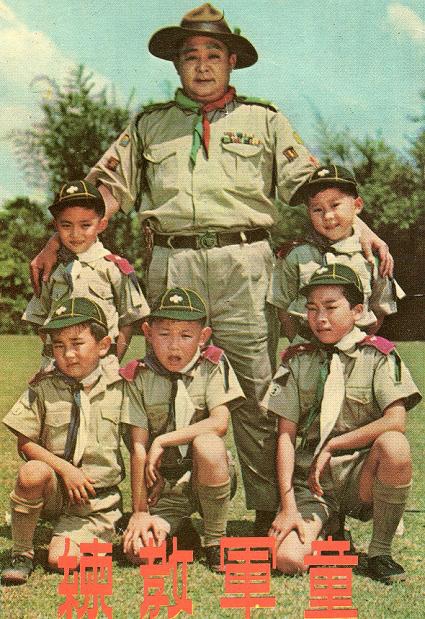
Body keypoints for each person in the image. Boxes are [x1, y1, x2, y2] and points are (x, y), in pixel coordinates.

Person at [29, 3, 393, 534]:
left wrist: (363, 229)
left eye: (214, 55)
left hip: (245, 265)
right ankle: (168, 508)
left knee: (258, 389)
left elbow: (320, 191)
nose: (202, 66)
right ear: (177, 64)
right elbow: (102, 193)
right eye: (191, 56)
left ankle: (270, 508)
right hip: (172, 262)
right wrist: (53, 244)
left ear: (231, 62)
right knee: (164, 384)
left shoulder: (264, 121)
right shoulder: (149, 124)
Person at [261, 264, 421, 583]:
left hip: (359, 475)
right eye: (312, 309)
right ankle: (330, 531)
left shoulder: (378, 356)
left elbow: (396, 420)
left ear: (357, 311)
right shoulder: (296, 360)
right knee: (288, 559)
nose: (320, 318)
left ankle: (380, 552)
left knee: (395, 445)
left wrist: (334, 445)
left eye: (331, 308)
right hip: (313, 481)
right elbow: (285, 437)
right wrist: (288, 506)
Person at [1, 298, 146, 585]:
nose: (67, 354)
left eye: (77, 343)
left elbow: (137, 448)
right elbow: (24, 443)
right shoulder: (43, 386)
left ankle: (101, 533)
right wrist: (66, 470)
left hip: (95, 500)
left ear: (103, 345)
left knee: (61, 560)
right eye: (58, 345)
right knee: (31, 472)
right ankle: (22, 553)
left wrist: (141, 510)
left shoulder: (121, 388)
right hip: (55, 491)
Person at [121, 287, 244, 571]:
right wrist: (140, 511)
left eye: (186, 336)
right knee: (138, 553)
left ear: (203, 336)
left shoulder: (213, 364)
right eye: (164, 334)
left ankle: (215, 541)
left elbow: (219, 423)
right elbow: (138, 447)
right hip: (163, 487)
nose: (174, 346)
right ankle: (180, 530)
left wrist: (163, 440)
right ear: (148, 333)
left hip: (206, 476)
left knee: (208, 444)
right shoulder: (138, 375)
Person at [269, 164, 404, 342]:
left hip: (356, 348)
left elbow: (379, 310)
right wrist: (299, 346)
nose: (327, 216)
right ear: (309, 212)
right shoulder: (296, 256)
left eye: (335, 205)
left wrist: (360, 344)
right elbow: (283, 309)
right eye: (317, 209)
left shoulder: (373, 258)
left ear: (357, 205)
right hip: (308, 347)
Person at [24, 180, 149, 367]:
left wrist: (113, 360)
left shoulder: (113, 268)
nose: (75, 234)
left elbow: (129, 320)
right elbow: (38, 317)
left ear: (101, 225)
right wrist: (59, 354)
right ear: (56, 225)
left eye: (85, 225)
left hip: (102, 367)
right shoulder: (51, 268)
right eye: (66, 225)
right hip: (57, 368)